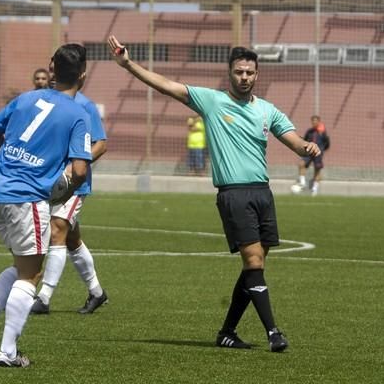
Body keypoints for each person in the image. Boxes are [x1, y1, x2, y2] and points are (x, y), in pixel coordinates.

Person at [107, 35, 321, 353]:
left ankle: (227, 333)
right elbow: (167, 85)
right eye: (239, 72)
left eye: (249, 72)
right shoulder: (212, 101)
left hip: (263, 194)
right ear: (229, 73)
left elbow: (292, 140)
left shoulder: (267, 110)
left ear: (257, 74)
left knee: (255, 266)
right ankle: (273, 332)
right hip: (233, 194)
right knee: (253, 260)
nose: (244, 77)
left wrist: (306, 146)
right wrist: (128, 65)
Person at [0, 43, 92, 368]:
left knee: (20, 266)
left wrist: (11, 165)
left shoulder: (24, 98)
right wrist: (62, 194)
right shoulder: (79, 114)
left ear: (51, 67)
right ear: (83, 74)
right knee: (31, 275)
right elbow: (79, 170)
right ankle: (8, 352)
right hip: (29, 197)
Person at [31, 62, 109, 315]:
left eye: (56, 69)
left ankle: (43, 298)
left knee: (57, 229)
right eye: (51, 68)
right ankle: (97, 292)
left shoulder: (84, 105)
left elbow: (100, 144)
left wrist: (72, 170)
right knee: (72, 239)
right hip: (47, 182)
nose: (53, 73)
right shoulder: (45, 102)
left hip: (74, 185)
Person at [295, 115, 330, 196]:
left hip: (318, 153)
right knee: (301, 164)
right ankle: (302, 183)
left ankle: (314, 189)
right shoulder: (309, 131)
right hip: (309, 152)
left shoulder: (323, 132)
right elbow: (305, 140)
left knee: (317, 170)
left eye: (316, 121)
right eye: (313, 121)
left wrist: (322, 150)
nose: (314, 122)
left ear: (319, 122)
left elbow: (327, 143)